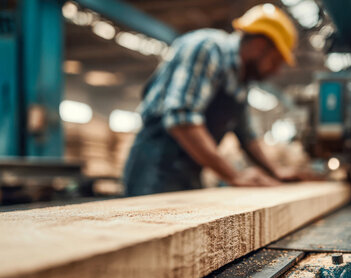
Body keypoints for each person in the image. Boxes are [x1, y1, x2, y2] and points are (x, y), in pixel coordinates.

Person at [124, 4, 304, 196]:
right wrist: (235, 175)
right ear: (259, 45)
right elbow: (182, 120)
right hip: (155, 167)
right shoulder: (207, 49)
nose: (276, 71)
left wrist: (275, 172)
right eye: (275, 61)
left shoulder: (240, 78)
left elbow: (246, 136)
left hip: (190, 170)